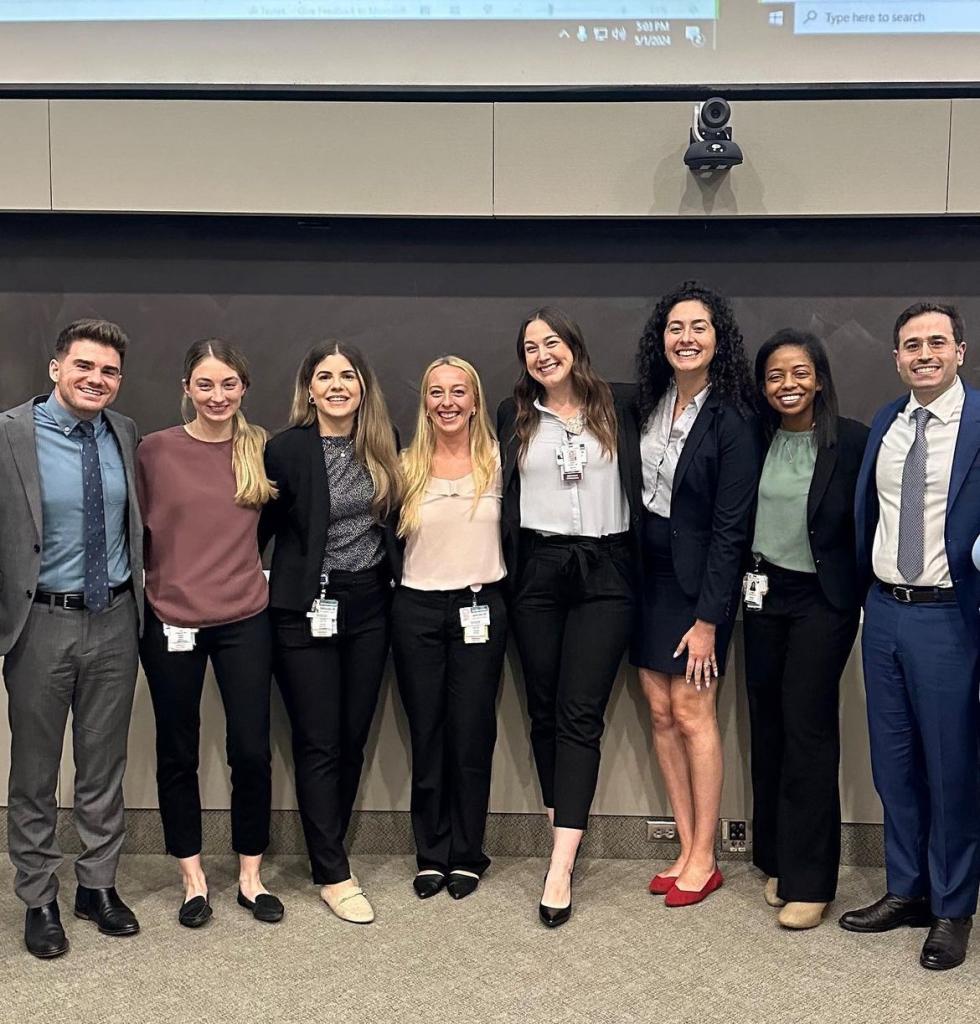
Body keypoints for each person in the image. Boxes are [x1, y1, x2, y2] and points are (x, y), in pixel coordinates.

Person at [841, 302, 980, 971]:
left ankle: (953, 907)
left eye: (935, 342)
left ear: (960, 350)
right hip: (884, 612)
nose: (923, 354)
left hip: (950, 617)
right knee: (892, 763)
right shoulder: (889, 425)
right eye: (910, 345)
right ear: (896, 358)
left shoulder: (979, 423)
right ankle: (907, 890)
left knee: (951, 766)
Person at [0, 319, 143, 959]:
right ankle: (38, 896)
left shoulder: (124, 434)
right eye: (84, 366)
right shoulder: (8, 436)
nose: (96, 379)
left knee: (102, 766)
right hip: (40, 623)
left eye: (109, 371)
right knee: (34, 771)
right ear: (57, 367)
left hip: (115, 618)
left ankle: (97, 885)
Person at [498, 307, 640, 928]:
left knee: (580, 713)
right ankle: (565, 825)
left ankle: (560, 864)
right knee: (544, 706)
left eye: (550, 341)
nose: (540, 354)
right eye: (529, 346)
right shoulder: (514, 415)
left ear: (574, 346)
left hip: (607, 569)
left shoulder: (621, 406)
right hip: (537, 566)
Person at [137, 339, 283, 928]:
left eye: (228, 385)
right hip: (170, 617)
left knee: (250, 749)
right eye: (205, 385)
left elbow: (270, 526)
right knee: (177, 749)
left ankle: (251, 874)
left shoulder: (262, 450)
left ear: (244, 388)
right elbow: (135, 529)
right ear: (187, 389)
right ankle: (192, 877)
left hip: (245, 618)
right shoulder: (153, 452)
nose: (217, 396)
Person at [261, 341, 402, 925]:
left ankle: (329, 851)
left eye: (348, 375)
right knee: (317, 740)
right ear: (309, 388)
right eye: (325, 376)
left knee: (350, 737)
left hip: (370, 604)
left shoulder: (384, 449)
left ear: (362, 386)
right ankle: (333, 872)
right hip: (305, 608)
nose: (338, 384)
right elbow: (255, 532)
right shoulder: (286, 450)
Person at [631, 281, 758, 908]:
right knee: (659, 711)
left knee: (693, 713)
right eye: (676, 327)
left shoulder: (733, 418)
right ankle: (684, 846)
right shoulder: (650, 405)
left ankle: (706, 857)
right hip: (645, 579)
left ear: (718, 340)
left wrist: (710, 618)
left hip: (698, 589)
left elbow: (733, 529)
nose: (686, 338)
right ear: (663, 340)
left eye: (699, 328)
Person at [743, 329, 868, 929]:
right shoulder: (755, 438)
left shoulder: (855, 442)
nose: (786, 384)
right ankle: (777, 858)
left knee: (807, 727)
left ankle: (813, 880)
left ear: (818, 378)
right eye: (773, 376)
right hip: (762, 594)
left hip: (823, 600)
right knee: (766, 723)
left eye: (798, 373)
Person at [392, 356, 507, 901]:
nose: (447, 402)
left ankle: (467, 854)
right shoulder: (404, 465)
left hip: (482, 608)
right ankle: (431, 854)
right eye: (436, 392)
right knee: (429, 734)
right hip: (416, 610)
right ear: (425, 403)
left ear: (475, 399)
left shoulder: (500, 460)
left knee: (471, 733)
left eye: (458, 391)